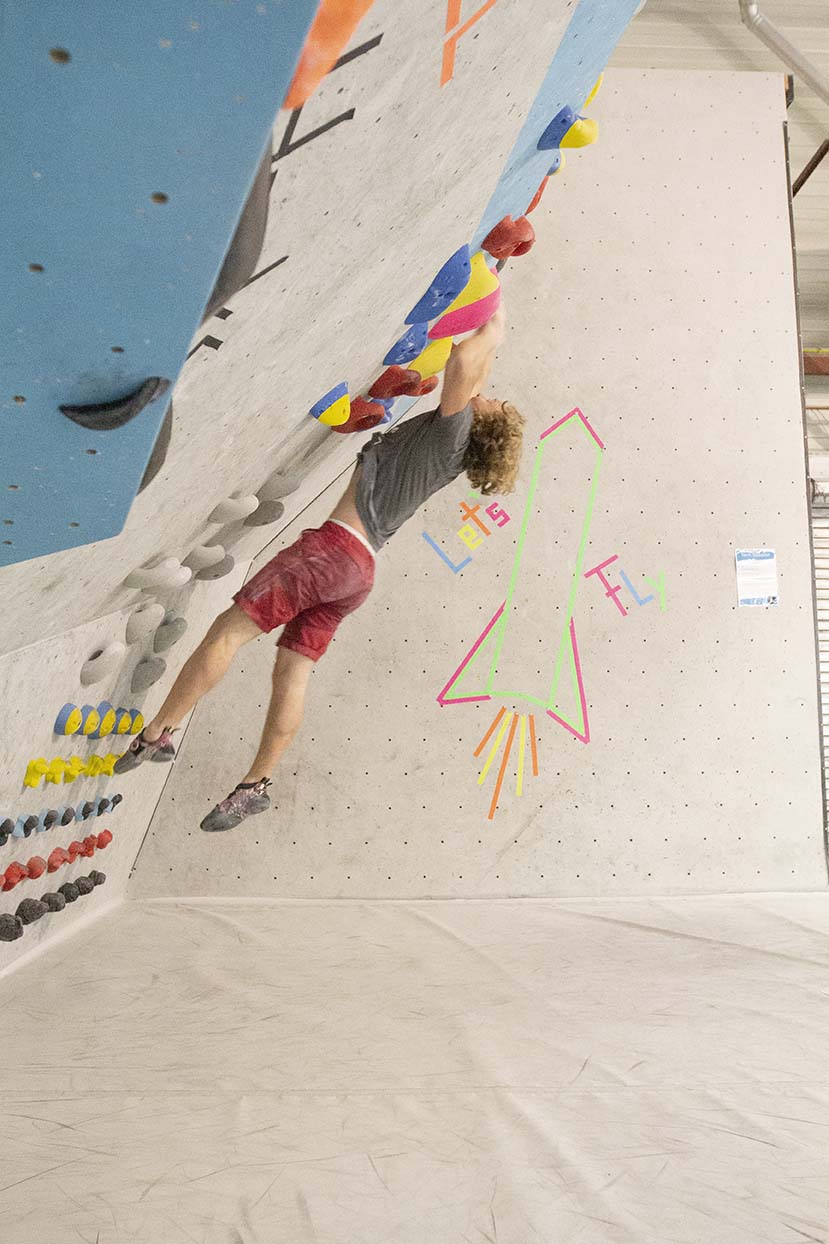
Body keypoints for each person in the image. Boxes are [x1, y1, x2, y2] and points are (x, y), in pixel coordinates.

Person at [114, 308, 524, 831]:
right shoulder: (448, 448)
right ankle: (254, 785)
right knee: (292, 673)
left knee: (228, 633)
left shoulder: (453, 432)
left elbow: (468, 359)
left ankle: (158, 732)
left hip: (331, 552)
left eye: (494, 401)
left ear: (483, 422)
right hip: (358, 573)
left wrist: (495, 325)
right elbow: (478, 375)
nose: (487, 392)